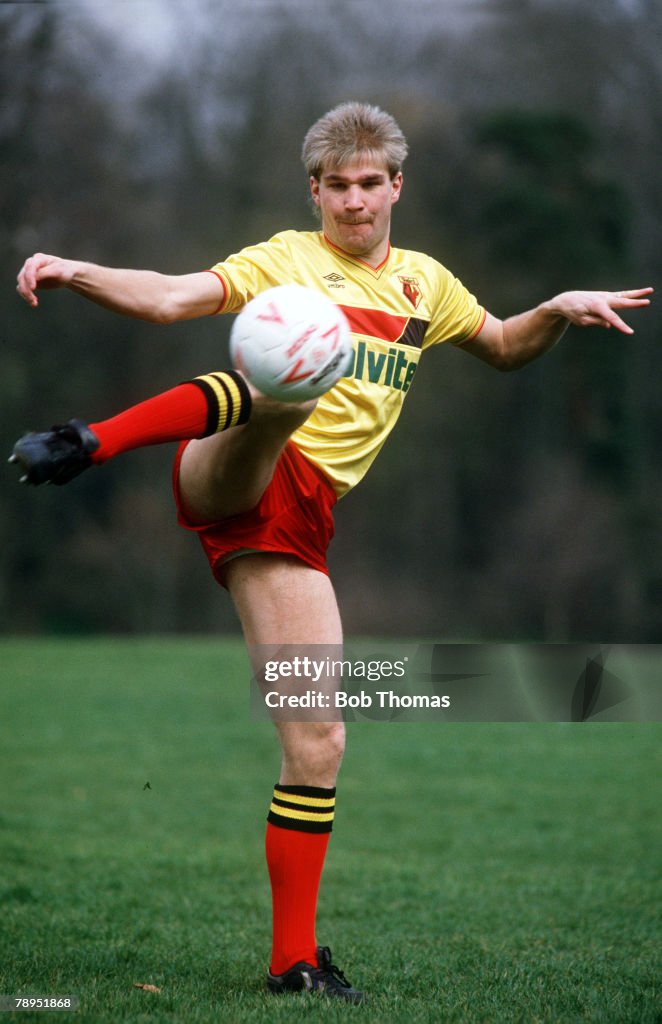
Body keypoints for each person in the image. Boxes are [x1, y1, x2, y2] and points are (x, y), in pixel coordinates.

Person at [11, 102, 652, 1003]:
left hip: (297, 526)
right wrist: (75, 267)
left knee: (319, 742)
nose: (354, 202)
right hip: (229, 467)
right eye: (337, 186)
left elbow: (505, 347)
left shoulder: (427, 285)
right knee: (290, 376)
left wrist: (551, 308)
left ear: (397, 185)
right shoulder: (286, 258)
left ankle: (293, 965)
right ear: (314, 190)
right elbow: (168, 296)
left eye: (370, 184)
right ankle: (94, 440)